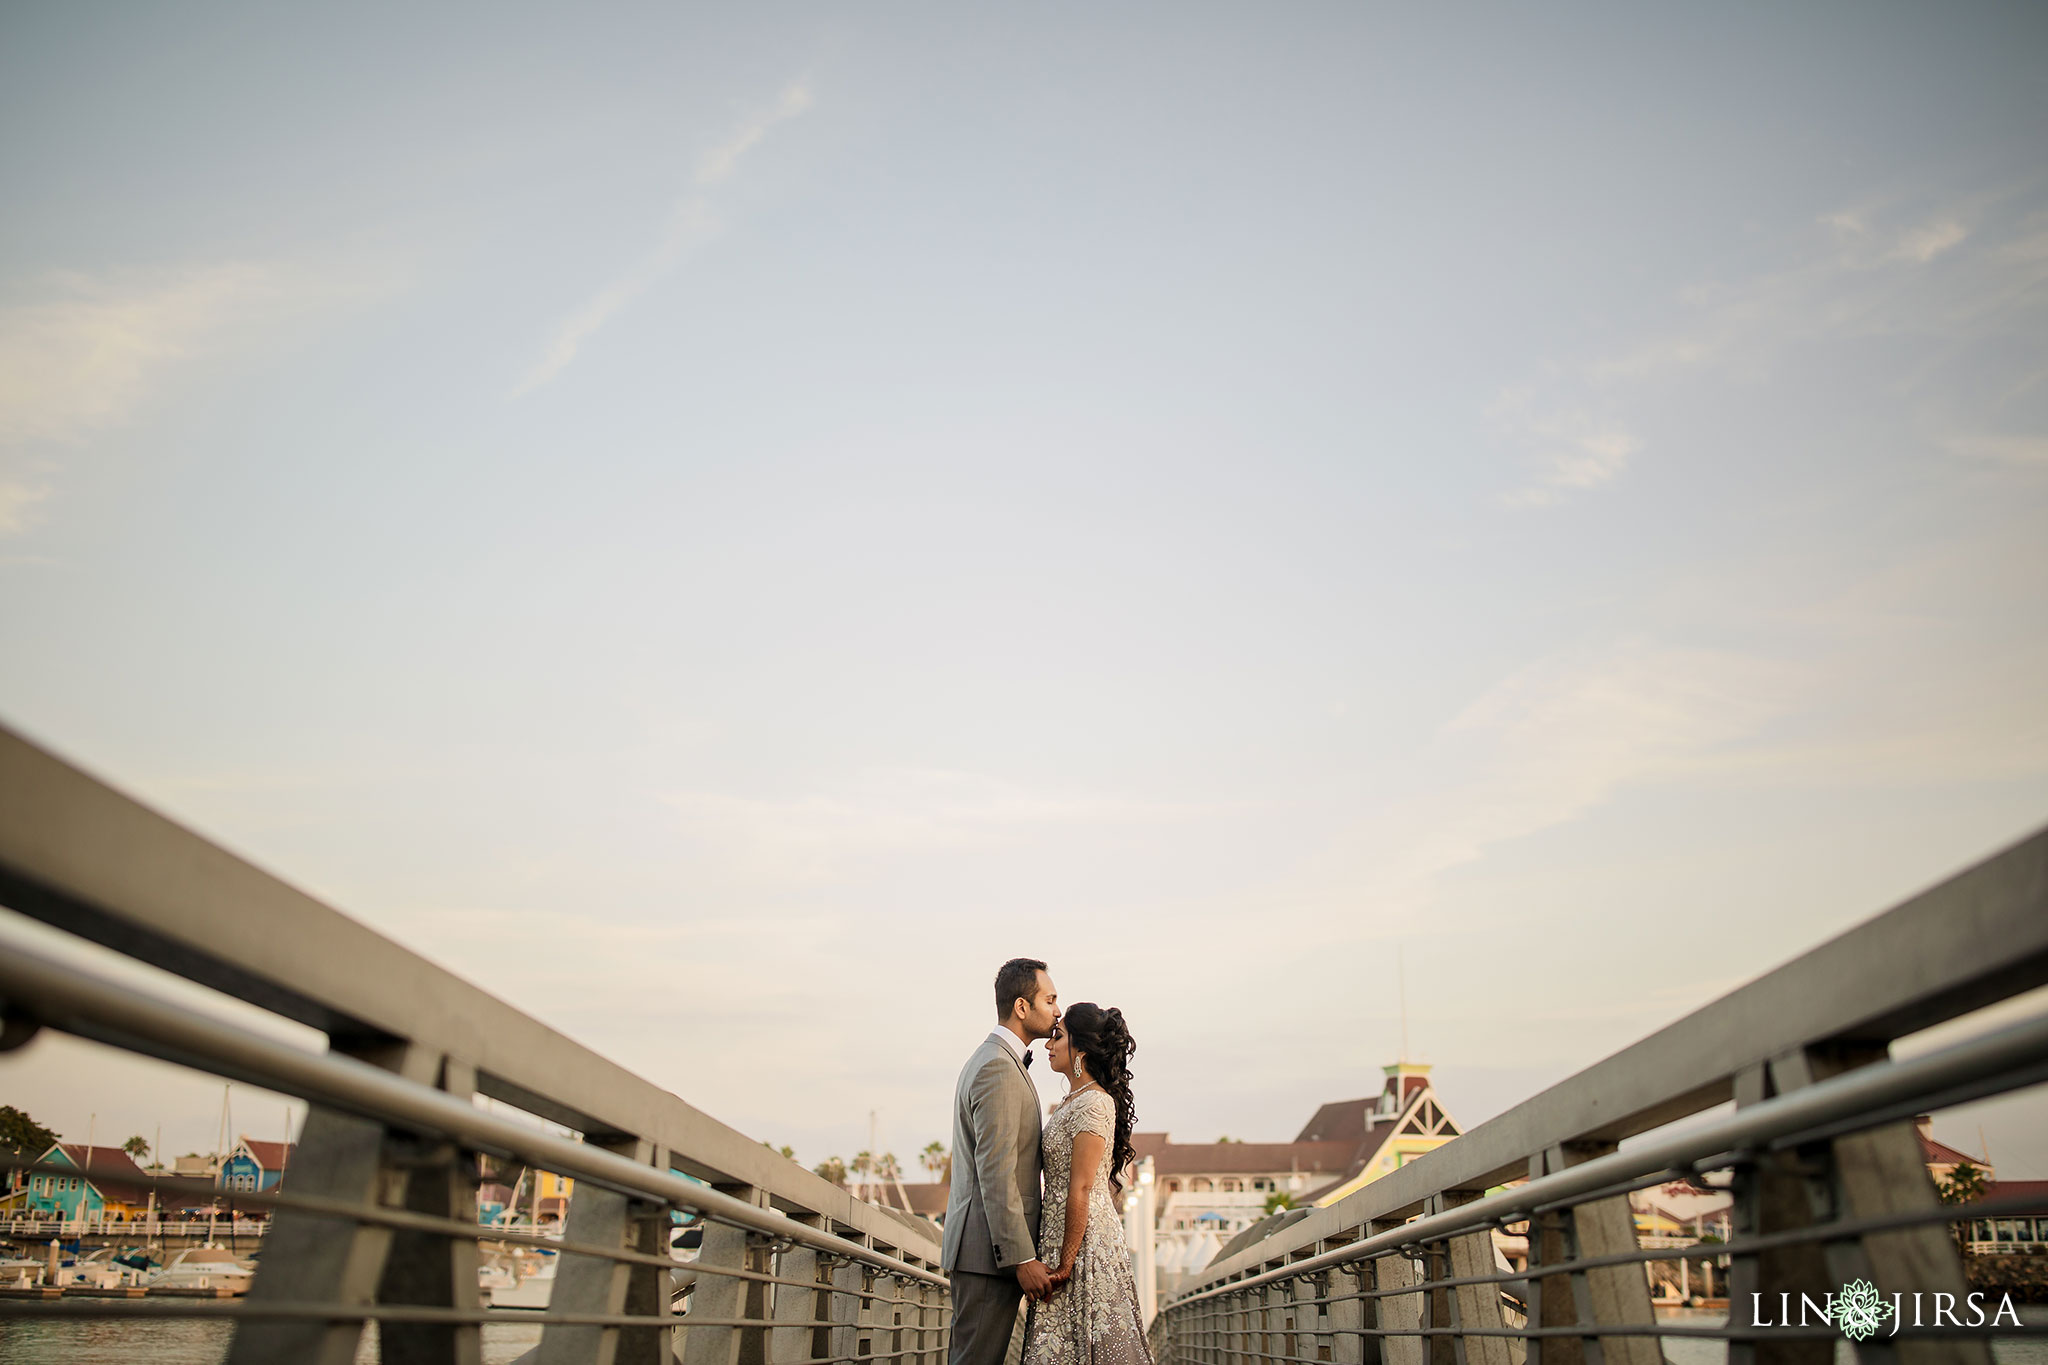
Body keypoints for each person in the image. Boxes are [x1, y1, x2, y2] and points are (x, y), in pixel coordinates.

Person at [1020, 1002, 1153, 1365]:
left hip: (1085, 1241)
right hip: (1059, 1234)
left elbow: (1081, 1187)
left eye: (1058, 1037)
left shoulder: (1095, 1103)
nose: (1049, 1044)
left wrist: (1066, 1264)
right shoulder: (1070, 1102)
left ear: (1079, 1049)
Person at [944, 957, 1061, 1365]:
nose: (1057, 1010)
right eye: (1050, 999)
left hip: (985, 1252)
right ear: (1022, 1007)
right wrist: (1021, 1258)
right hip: (987, 1257)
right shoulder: (997, 1066)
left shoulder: (999, 1061)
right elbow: (996, 1172)